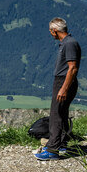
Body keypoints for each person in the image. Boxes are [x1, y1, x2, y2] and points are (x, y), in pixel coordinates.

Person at [34, 18, 80, 161]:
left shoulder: (69, 44)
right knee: (62, 112)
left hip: (63, 82)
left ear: (54, 30)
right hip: (62, 80)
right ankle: (61, 143)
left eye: (50, 31)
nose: (50, 34)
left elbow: (73, 68)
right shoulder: (66, 43)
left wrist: (63, 89)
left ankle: (53, 150)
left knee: (56, 115)